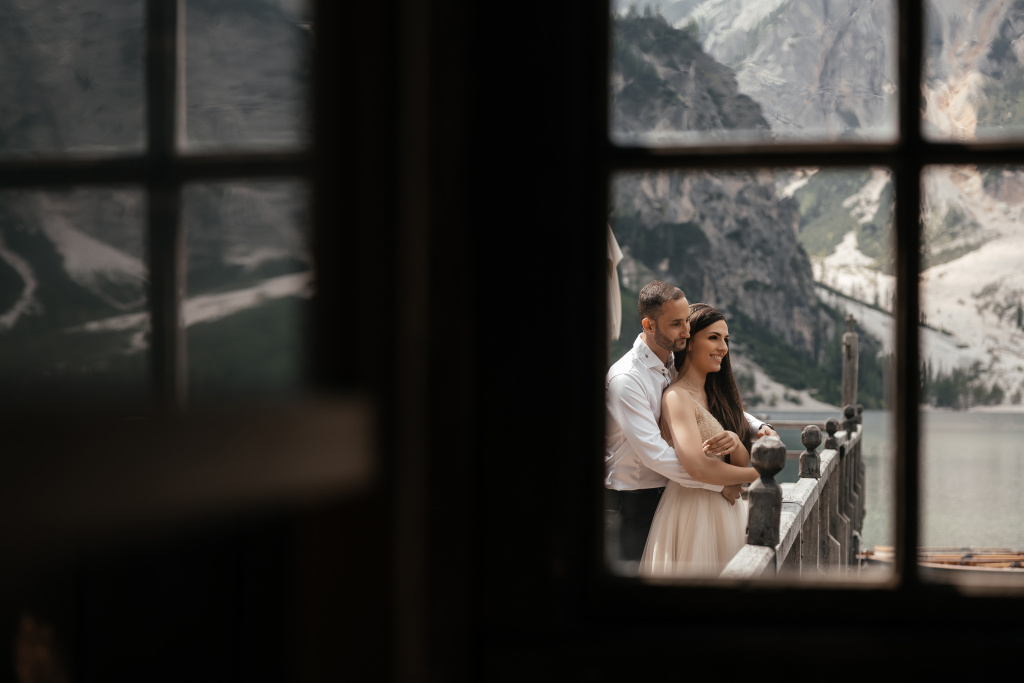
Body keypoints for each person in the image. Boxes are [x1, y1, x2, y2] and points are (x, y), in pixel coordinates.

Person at [605, 282, 775, 571]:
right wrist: (723, 481)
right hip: (631, 503)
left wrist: (756, 426)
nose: (686, 331)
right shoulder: (627, 379)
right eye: (676, 324)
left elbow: (703, 406)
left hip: (670, 495)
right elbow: (657, 456)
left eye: (686, 321)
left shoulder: (671, 359)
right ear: (648, 325)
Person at [638, 303, 761, 577]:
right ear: (690, 342)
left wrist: (736, 443)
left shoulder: (716, 396)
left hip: (726, 510)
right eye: (713, 337)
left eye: (726, 339)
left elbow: (739, 462)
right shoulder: (677, 397)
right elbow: (698, 467)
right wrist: (760, 475)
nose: (723, 348)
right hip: (693, 510)